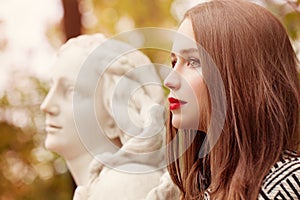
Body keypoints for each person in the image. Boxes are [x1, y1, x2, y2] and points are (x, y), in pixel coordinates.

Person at [164, 0, 300, 199]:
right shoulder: (205, 189)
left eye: (193, 61)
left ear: (243, 76)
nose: (170, 80)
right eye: (174, 62)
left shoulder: (289, 183)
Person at [40, 34, 179, 199]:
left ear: (116, 117)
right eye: (52, 86)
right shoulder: (109, 186)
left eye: (70, 90)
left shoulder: (127, 183)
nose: (46, 105)